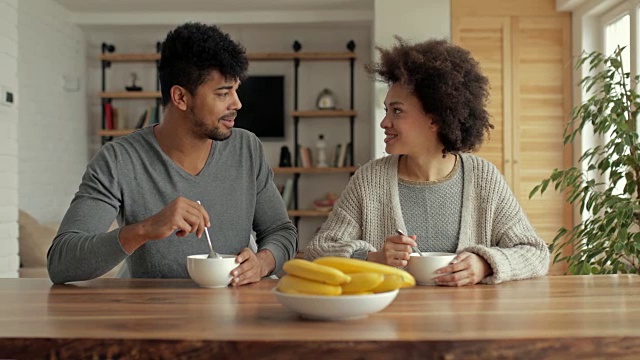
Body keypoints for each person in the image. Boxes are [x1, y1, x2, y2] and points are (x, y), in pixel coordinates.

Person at [47, 22, 297, 285]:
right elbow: (61, 263)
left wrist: (263, 262)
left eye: (235, 90)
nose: (237, 103)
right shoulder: (118, 160)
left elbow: (281, 231)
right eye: (223, 93)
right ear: (180, 97)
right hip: (153, 316)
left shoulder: (247, 149)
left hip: (234, 312)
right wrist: (145, 229)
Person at [305, 37, 549, 286]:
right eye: (386, 110)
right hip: (392, 320)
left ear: (435, 119)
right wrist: (374, 257)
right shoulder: (370, 179)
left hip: (470, 321)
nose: (384, 122)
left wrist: (485, 264)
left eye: (397, 111)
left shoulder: (483, 177)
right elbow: (319, 250)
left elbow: (535, 253)